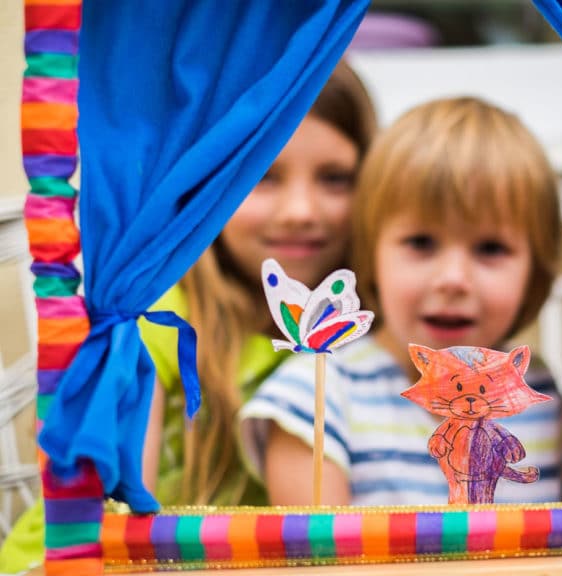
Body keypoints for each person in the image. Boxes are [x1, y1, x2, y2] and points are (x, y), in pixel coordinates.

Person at [0, 60, 376, 573]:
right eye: (263, 174)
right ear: (211, 180)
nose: (300, 210)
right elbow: (115, 531)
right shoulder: (155, 318)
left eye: (335, 178)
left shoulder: (368, 333)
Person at [239, 96, 562, 506]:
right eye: (421, 242)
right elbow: (317, 564)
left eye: (490, 248)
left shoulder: (546, 399)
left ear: (535, 272)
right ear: (371, 254)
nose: (453, 280)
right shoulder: (315, 399)